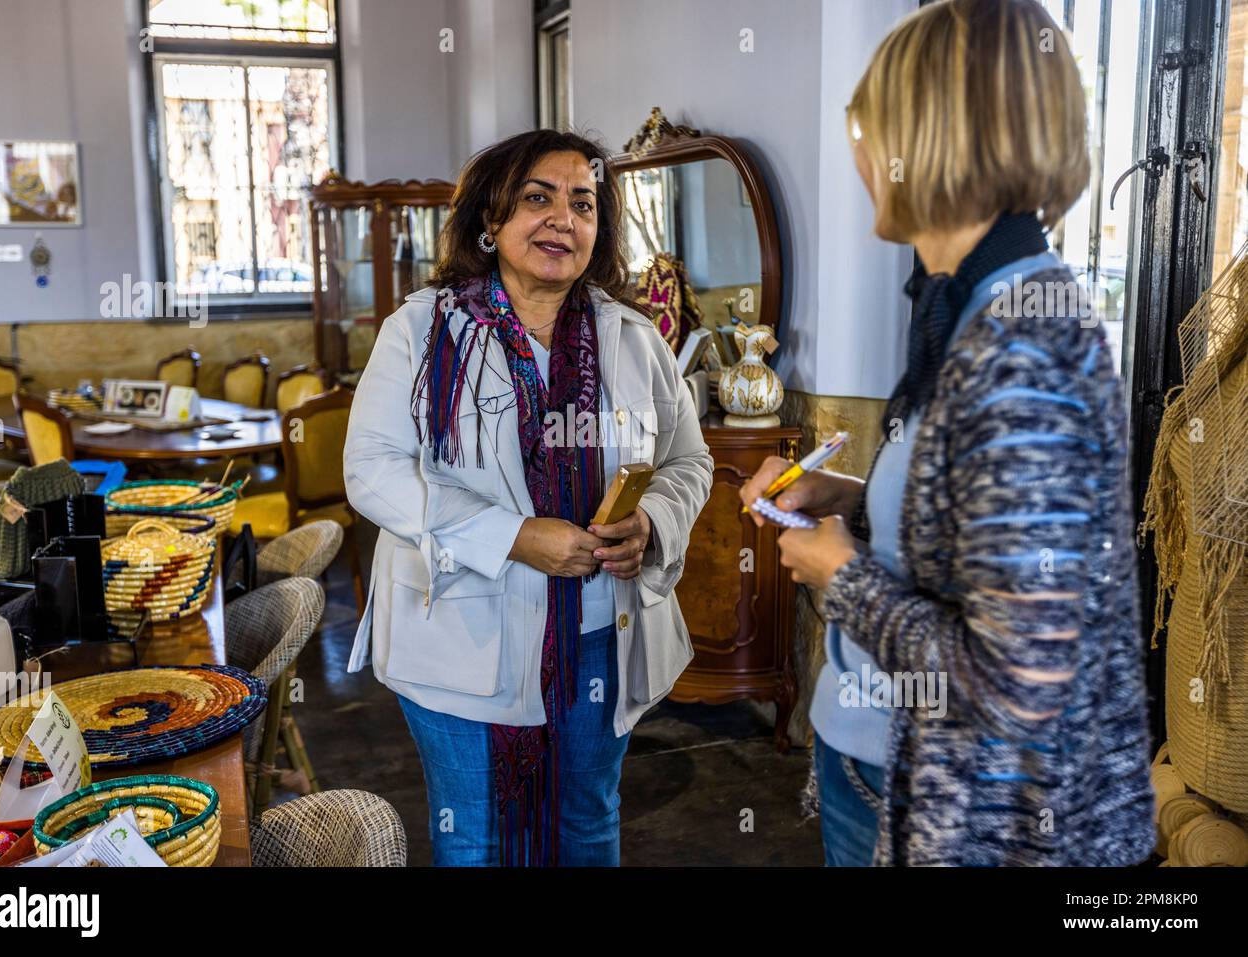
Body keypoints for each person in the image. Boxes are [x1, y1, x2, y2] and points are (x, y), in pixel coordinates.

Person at [741, 0, 1155, 866]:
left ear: (925, 137)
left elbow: (1016, 683)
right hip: (903, 769)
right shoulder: (973, 310)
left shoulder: (1023, 343)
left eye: (864, 122)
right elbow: (979, 538)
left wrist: (840, 575)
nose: (854, 151)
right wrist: (847, 502)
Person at [344, 129, 713, 866]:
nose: (563, 219)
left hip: (599, 635)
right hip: (461, 635)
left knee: (587, 822)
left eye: (583, 202)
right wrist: (511, 535)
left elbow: (688, 459)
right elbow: (372, 469)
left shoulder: (631, 338)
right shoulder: (421, 332)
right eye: (538, 198)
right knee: (475, 836)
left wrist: (652, 521)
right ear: (490, 218)